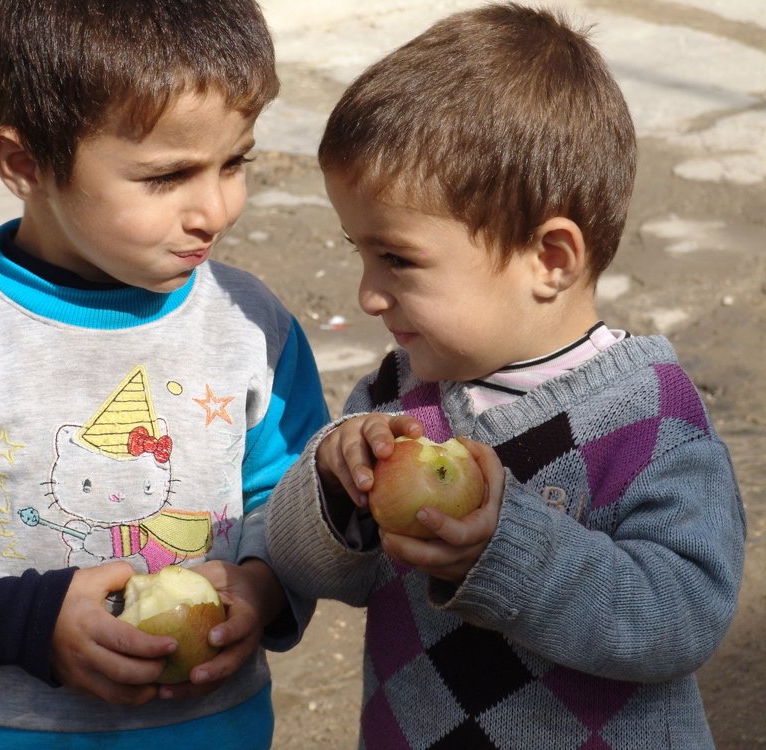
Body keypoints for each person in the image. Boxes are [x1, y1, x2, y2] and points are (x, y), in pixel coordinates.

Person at [0, 1, 330, 748]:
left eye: (235, 161)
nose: (215, 208)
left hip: (217, 726)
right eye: (166, 176)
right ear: (24, 165)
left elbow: (288, 499)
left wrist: (262, 582)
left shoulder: (253, 324)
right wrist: (26, 622)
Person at [264, 3, 746, 748]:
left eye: (397, 258)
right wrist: (331, 480)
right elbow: (316, 570)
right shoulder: (399, 400)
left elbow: (679, 616)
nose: (367, 294)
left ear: (551, 259)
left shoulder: (648, 411)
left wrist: (507, 550)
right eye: (358, 252)